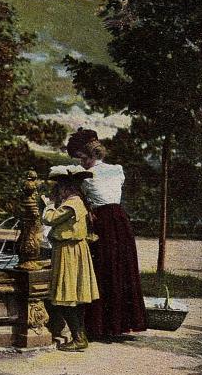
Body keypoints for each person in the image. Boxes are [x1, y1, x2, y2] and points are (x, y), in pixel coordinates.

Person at [65, 128, 147, 339]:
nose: (80, 162)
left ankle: (104, 325)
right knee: (117, 268)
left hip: (105, 222)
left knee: (104, 269)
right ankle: (115, 324)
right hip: (119, 219)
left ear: (90, 154)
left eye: (81, 158)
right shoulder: (116, 170)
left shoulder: (85, 176)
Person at [41, 166, 100, 351]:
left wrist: (48, 204)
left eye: (59, 189)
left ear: (67, 189)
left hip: (69, 251)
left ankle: (78, 337)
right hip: (72, 249)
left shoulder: (73, 203)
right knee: (71, 295)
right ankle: (79, 335)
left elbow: (49, 219)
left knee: (66, 295)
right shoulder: (78, 202)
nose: (57, 193)